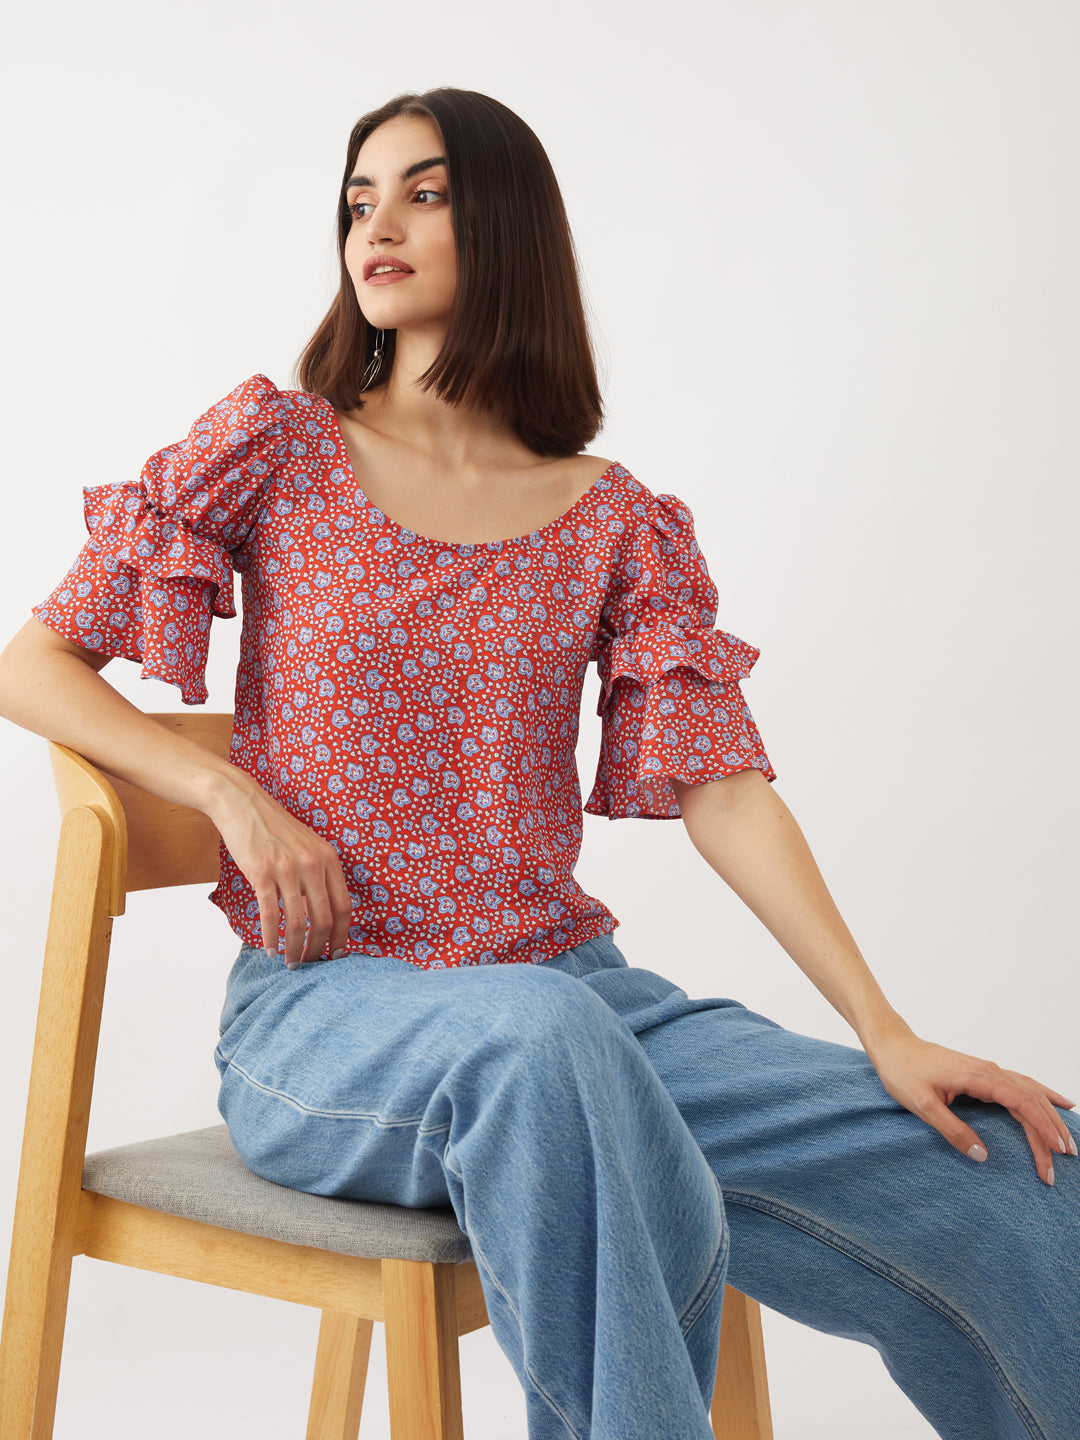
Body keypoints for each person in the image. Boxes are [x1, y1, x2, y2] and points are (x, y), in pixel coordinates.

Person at [0, 86, 1076, 1440]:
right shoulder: (275, 446)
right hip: (330, 1015)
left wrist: (884, 1031)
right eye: (358, 197)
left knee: (1011, 1164)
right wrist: (227, 792)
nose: (376, 223)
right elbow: (28, 667)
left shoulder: (612, 517)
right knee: (542, 1044)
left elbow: (724, 788)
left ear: (505, 223)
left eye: (424, 191)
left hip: (577, 1003)